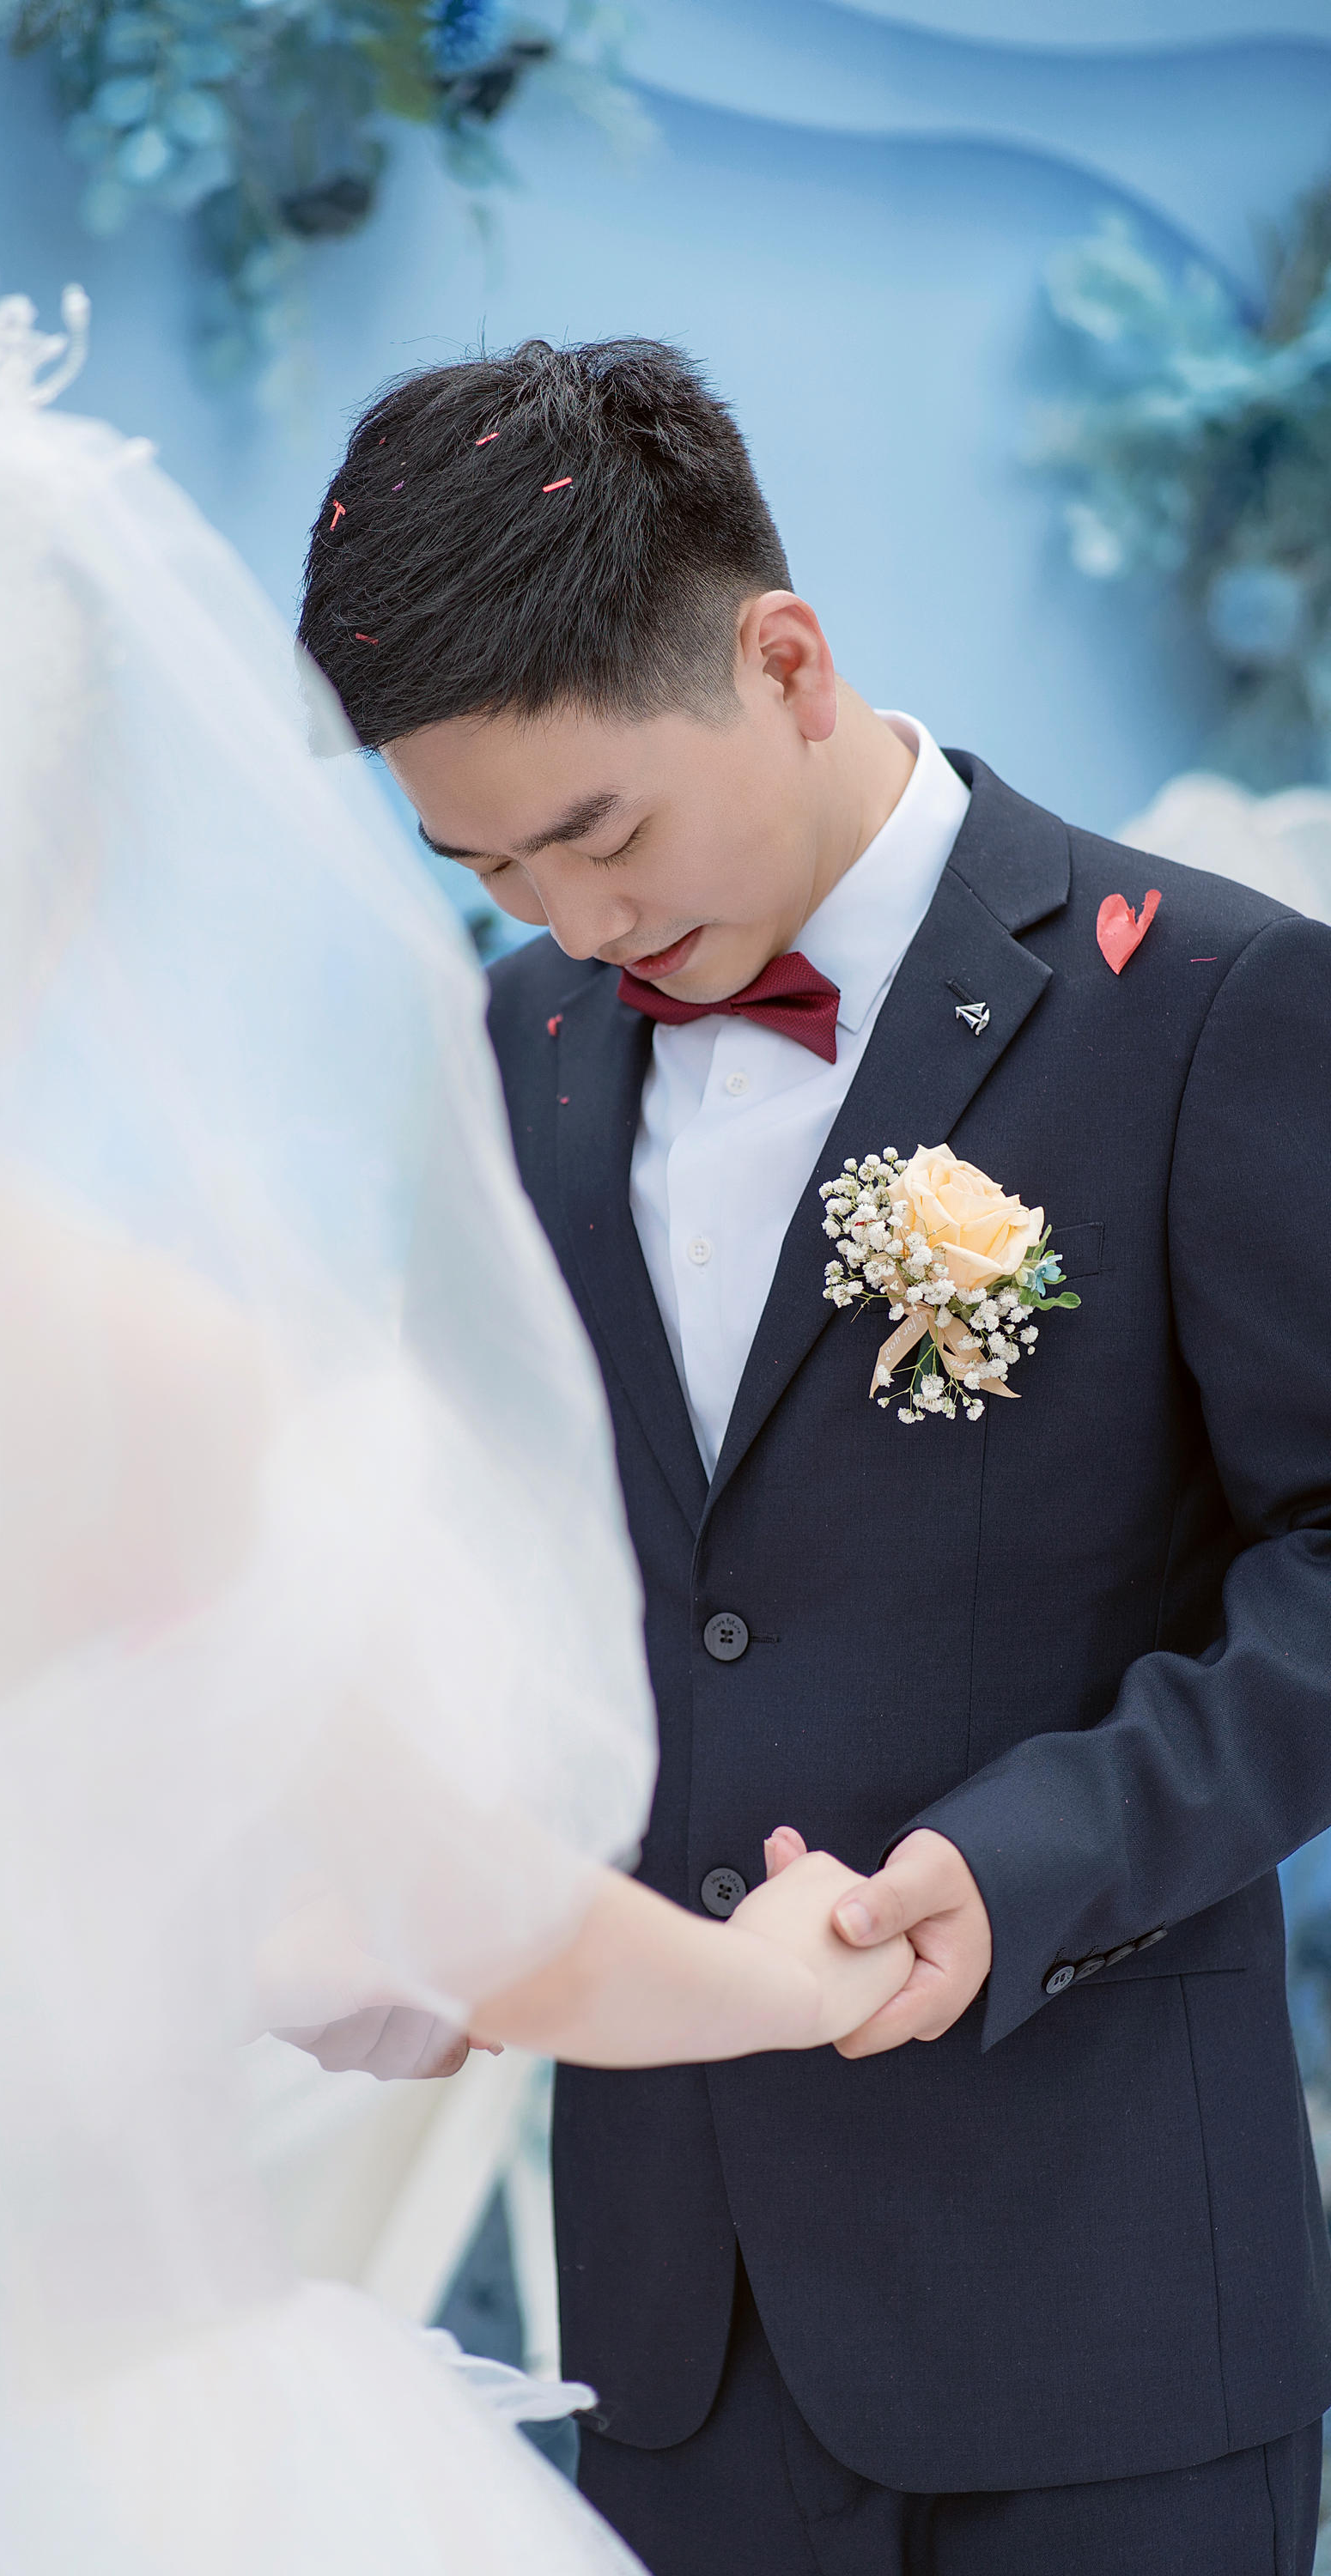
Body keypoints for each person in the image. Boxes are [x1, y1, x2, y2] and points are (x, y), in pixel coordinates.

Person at [0, 261, 911, 2573]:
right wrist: (785, 1974)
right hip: (57, 2456)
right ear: (43, 876)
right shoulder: (113, 1365)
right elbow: (473, 1911)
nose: (559, 922)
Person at [298, 336, 1331, 2576]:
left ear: (784, 661)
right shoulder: (520, 1039)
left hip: (1101, 2317)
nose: (576, 923)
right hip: (673, 2329)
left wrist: (1031, 1859)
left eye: (600, 833)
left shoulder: (1214, 1005)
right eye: (490, 866)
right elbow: (514, 1555)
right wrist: (427, 1857)